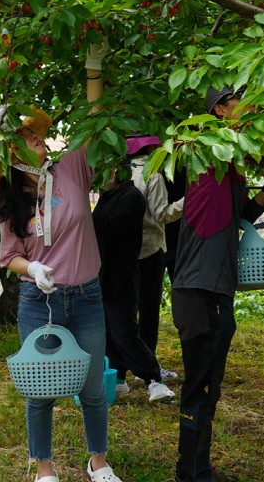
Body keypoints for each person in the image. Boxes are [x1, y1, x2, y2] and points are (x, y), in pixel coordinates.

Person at [0, 42, 125, 482]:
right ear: (13, 151)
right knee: (40, 390)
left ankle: (98, 461)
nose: (38, 138)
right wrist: (31, 269)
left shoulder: (70, 168)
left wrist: (93, 68)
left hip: (86, 295)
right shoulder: (11, 200)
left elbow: (94, 122)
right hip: (39, 300)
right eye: (28, 136)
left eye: (38, 133)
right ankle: (45, 468)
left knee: (91, 388)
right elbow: (9, 255)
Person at [171, 84, 264, 482]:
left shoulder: (228, 171)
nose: (249, 110)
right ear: (218, 111)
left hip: (216, 291)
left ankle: (197, 467)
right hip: (198, 293)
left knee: (209, 386)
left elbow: (242, 214)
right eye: (239, 103)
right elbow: (261, 125)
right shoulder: (206, 162)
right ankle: (190, 471)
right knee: (200, 385)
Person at [93, 163, 175, 402]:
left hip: (122, 275)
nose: (99, 179)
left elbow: (105, 228)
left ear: (116, 169)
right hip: (103, 273)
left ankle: (153, 379)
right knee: (110, 331)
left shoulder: (131, 197)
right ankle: (117, 380)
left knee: (125, 331)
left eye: (103, 171)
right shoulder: (108, 196)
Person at [128, 136, 183, 385]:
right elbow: (161, 214)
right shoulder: (153, 174)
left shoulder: (117, 172)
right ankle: (149, 370)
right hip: (149, 250)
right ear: (152, 149)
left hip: (123, 252)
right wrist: (186, 201)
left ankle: (120, 372)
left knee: (125, 312)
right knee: (148, 313)